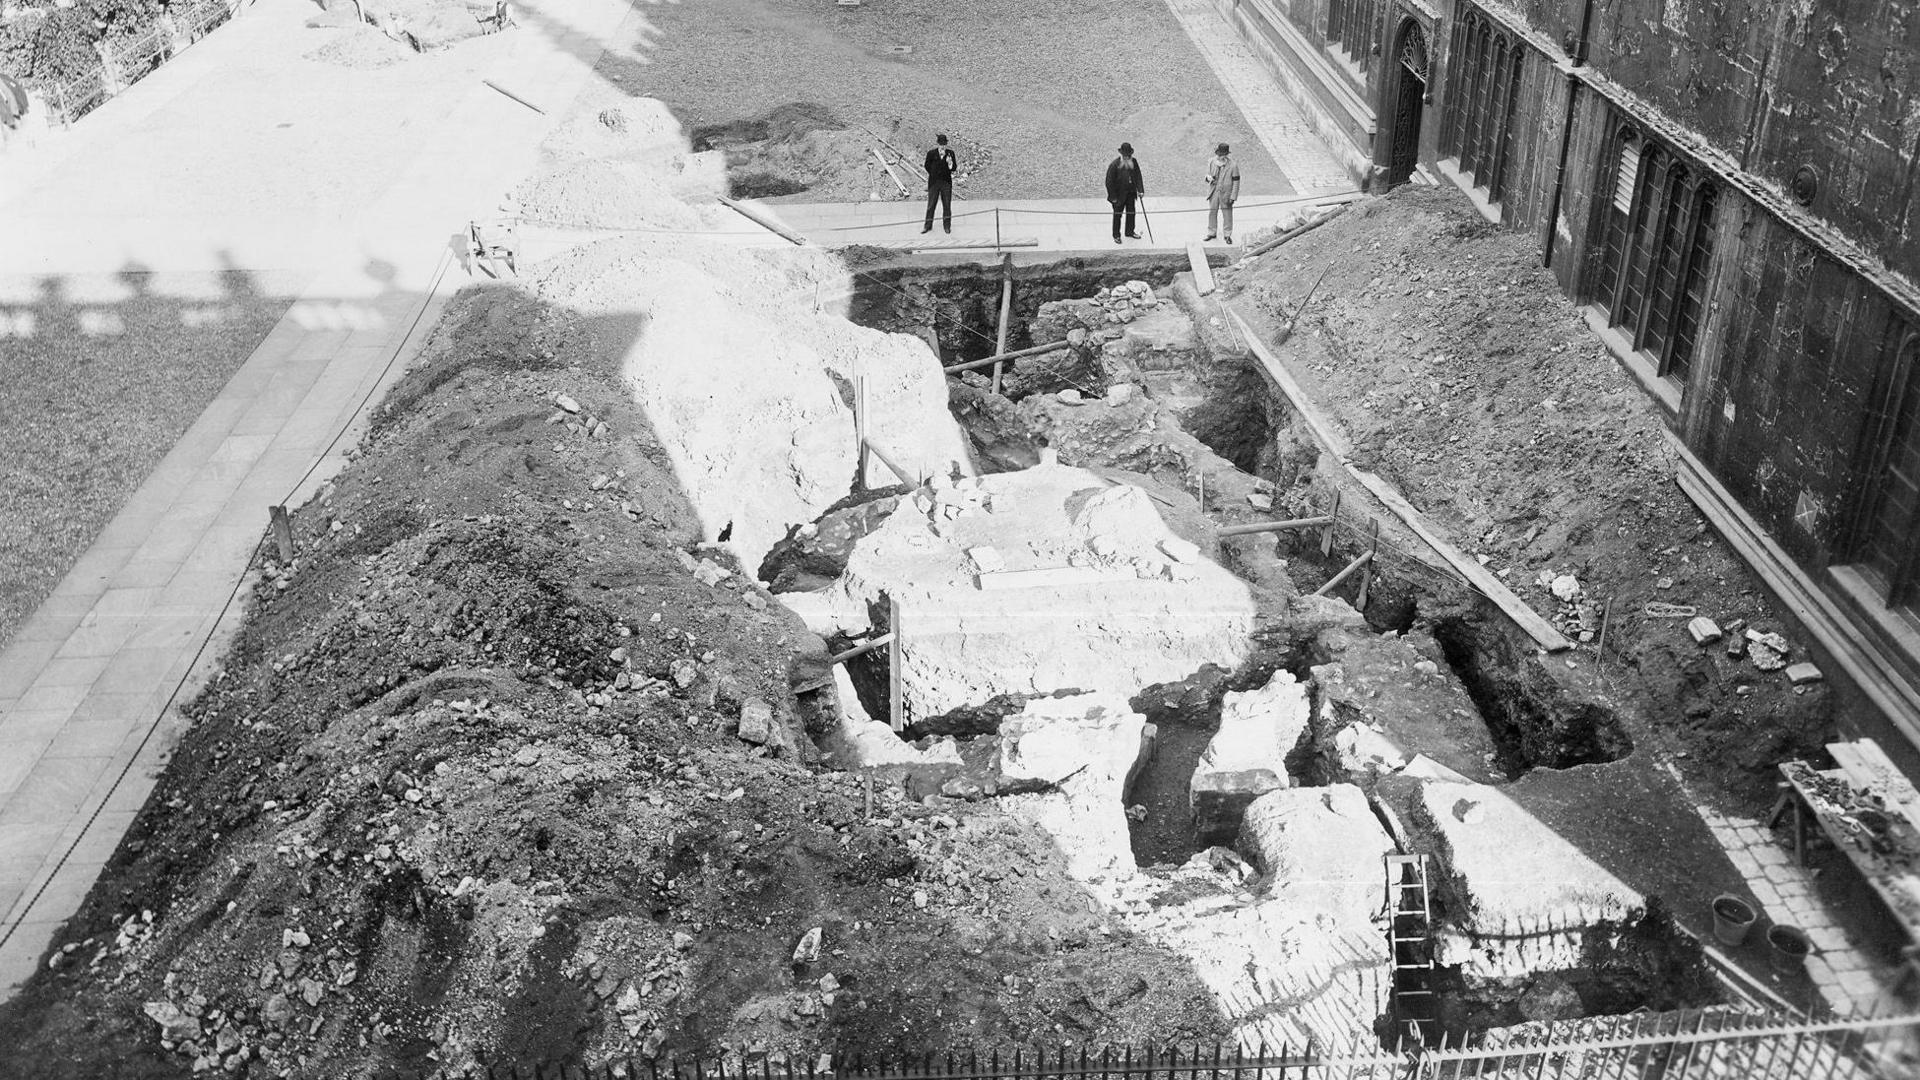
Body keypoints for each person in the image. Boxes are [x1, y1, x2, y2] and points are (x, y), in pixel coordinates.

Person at [1105, 142, 1145, 244]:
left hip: (1131, 193)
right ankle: (1116, 235)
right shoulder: (1114, 165)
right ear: (1122, 154)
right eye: (1125, 155)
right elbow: (1109, 182)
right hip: (1119, 195)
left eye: (1129, 155)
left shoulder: (1134, 162)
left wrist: (1140, 190)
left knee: (1131, 213)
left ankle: (1129, 231)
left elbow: (1138, 175)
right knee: (1117, 215)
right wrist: (1113, 197)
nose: (1127, 157)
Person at [1203, 142, 1240, 244]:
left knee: (1227, 214)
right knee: (1212, 212)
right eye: (1219, 154)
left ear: (1226, 155)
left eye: (1222, 155)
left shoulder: (1233, 165)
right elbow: (1207, 175)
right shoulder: (1211, 161)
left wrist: (1233, 197)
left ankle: (1227, 235)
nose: (1220, 156)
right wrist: (1209, 178)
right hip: (1214, 192)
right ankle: (1211, 232)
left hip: (1226, 194)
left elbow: (1236, 182)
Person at [923, 134, 957, 234]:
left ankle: (947, 226)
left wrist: (950, 163)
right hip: (934, 183)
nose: (942, 146)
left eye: (944, 144)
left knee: (947, 205)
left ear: (946, 144)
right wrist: (933, 174)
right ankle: (927, 226)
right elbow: (927, 166)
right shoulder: (931, 153)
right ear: (938, 144)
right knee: (931, 205)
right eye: (941, 144)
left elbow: (954, 168)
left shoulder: (950, 153)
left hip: (946, 183)